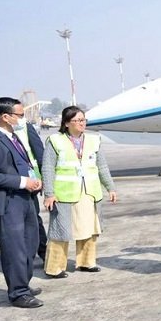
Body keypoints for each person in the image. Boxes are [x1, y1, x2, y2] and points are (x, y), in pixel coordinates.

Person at [41, 106, 117, 279]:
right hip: (64, 194)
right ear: (67, 123)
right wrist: (49, 193)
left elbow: (102, 166)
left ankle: (86, 262)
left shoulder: (94, 140)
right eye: (77, 120)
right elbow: (47, 168)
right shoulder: (55, 141)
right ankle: (54, 267)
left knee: (89, 228)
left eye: (83, 120)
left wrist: (110, 187)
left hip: (89, 192)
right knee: (60, 231)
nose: (82, 123)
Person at [0, 100, 43, 307]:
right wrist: (22, 182)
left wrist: (34, 181)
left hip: (26, 197)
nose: (23, 119)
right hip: (9, 201)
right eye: (20, 115)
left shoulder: (13, 136)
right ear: (5, 117)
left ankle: (22, 283)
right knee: (14, 248)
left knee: (30, 244)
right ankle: (18, 293)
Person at [5, 98, 47, 262]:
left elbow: (39, 153)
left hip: (29, 183)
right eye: (20, 115)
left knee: (33, 220)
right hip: (6, 185)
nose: (22, 118)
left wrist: (43, 179)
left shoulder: (24, 128)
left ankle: (44, 252)